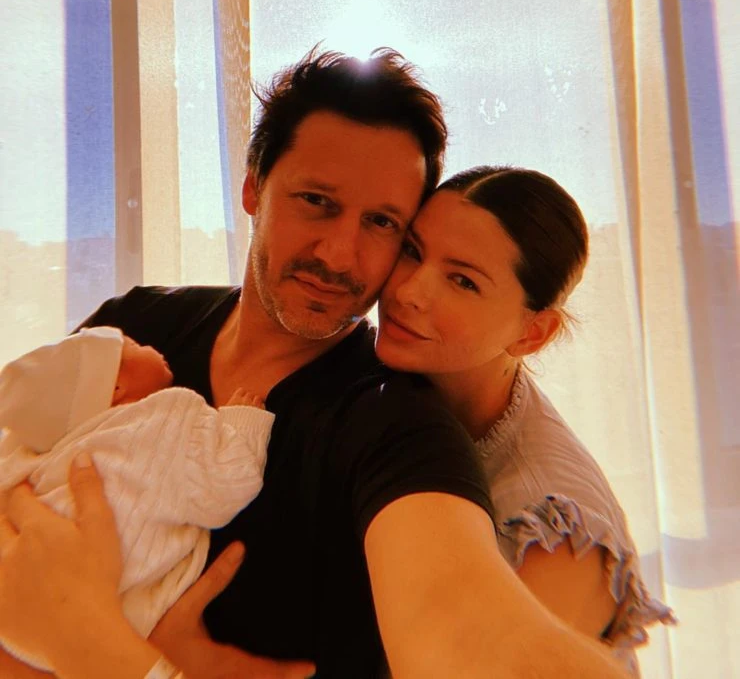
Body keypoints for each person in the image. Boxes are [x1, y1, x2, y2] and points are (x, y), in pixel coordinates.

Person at [0, 46, 634, 679]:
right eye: (317, 201)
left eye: (382, 222)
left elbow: (464, 625)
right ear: (254, 186)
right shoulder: (136, 325)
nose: (338, 254)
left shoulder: (401, 430)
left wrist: (90, 641)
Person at [375, 165, 676, 675]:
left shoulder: (555, 537)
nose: (408, 292)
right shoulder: (401, 390)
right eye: (412, 251)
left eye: (462, 281)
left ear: (532, 334)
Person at [0, 326, 274, 672]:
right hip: (129, 621)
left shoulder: (35, 455)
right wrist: (242, 422)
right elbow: (230, 481)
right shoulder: (165, 418)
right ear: (115, 387)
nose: (149, 344)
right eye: (133, 345)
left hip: (22, 628)